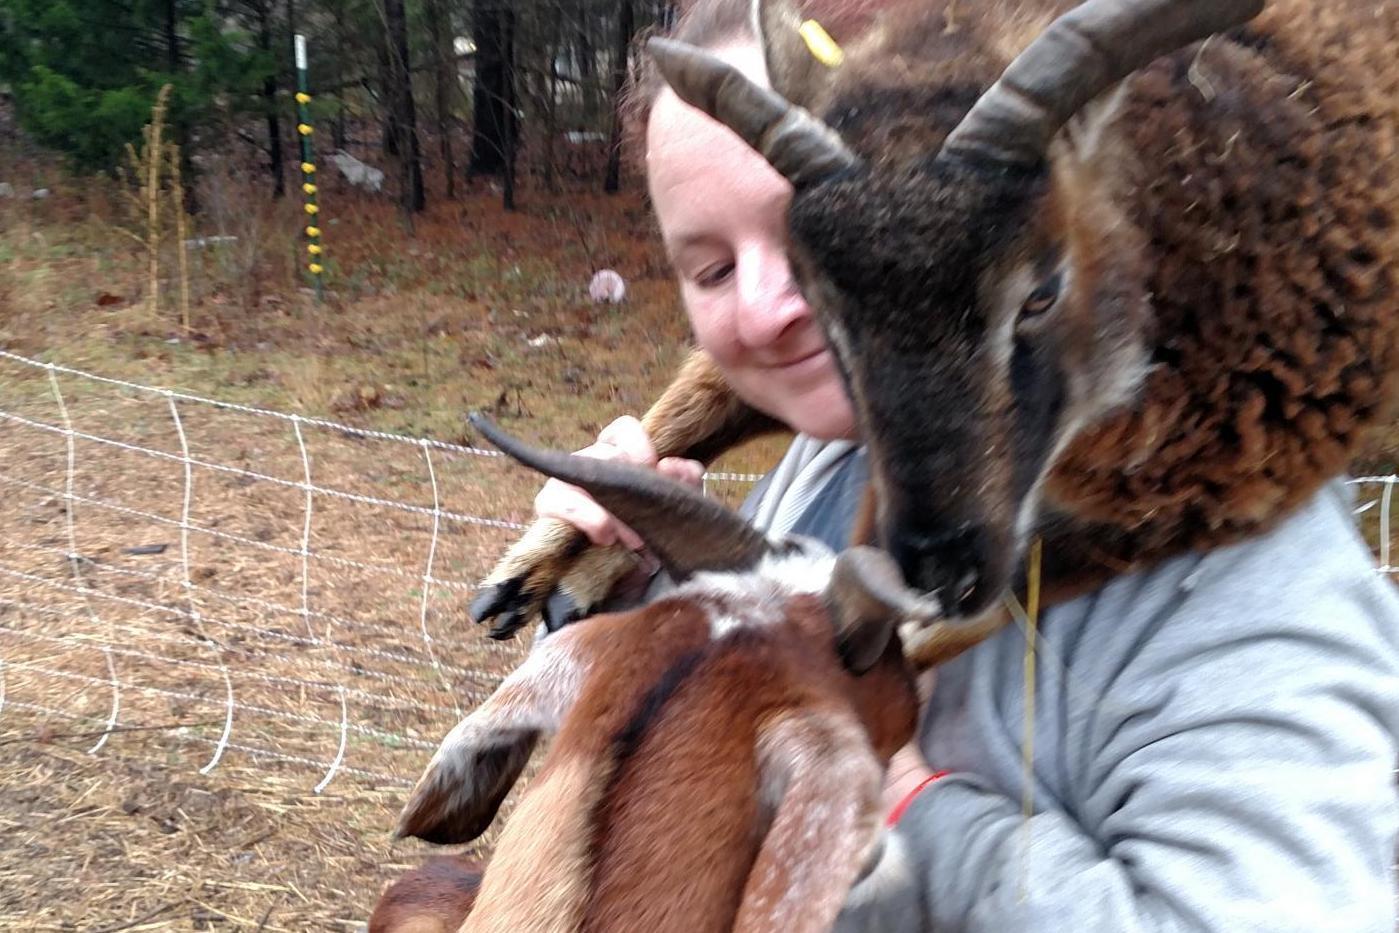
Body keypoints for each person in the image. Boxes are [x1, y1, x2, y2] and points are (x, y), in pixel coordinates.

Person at [528, 1, 1399, 929]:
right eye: (708, 270)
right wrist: (632, 592)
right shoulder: (844, 446)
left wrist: (903, 803)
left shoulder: (1246, 603)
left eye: (790, 246)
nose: (765, 312)